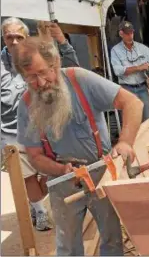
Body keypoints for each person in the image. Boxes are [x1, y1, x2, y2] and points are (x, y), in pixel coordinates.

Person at [13, 36, 144, 256]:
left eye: (43, 72)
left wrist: (124, 142)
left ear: (55, 63)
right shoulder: (27, 105)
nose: (41, 83)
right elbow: (35, 156)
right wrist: (62, 170)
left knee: (112, 239)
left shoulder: (80, 80)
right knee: (67, 245)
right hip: (63, 179)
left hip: (101, 170)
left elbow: (133, 103)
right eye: (31, 78)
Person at [1, 17, 80, 231]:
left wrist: (61, 41)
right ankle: (40, 211)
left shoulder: (41, 54)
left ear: (27, 38)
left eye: (20, 37)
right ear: (3, 39)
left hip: (46, 127)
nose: (15, 41)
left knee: (49, 173)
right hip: (12, 133)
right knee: (27, 177)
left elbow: (71, 68)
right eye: (10, 37)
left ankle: (38, 203)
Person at [110, 21, 149, 122]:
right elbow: (118, 71)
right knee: (130, 121)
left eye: (131, 33)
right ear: (121, 34)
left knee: (146, 119)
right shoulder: (115, 50)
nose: (130, 36)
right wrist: (139, 67)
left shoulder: (142, 48)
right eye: (127, 33)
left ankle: (145, 138)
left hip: (142, 87)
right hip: (126, 89)